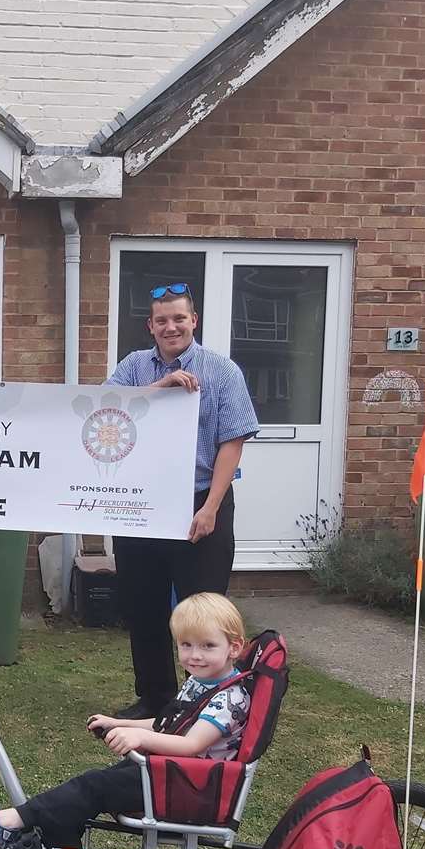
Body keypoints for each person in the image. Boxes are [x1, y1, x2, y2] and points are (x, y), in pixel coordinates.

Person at [0, 593, 250, 849]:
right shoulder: (202, 682)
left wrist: (140, 740)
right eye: (186, 645)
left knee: (91, 786)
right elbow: (167, 723)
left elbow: (191, 744)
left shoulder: (228, 700)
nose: (194, 655)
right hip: (167, 775)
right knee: (82, 796)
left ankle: (6, 824)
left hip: (186, 789)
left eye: (207, 646)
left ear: (234, 648)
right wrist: (120, 723)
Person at [106, 282, 258, 720]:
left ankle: (209, 700)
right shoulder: (135, 366)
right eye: (162, 320)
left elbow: (233, 441)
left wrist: (210, 508)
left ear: (194, 321)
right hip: (141, 503)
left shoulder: (222, 371)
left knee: (204, 610)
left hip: (200, 498)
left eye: (179, 318)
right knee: (143, 604)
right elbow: (106, 408)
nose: (171, 326)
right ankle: (154, 698)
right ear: (150, 326)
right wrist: (162, 386)